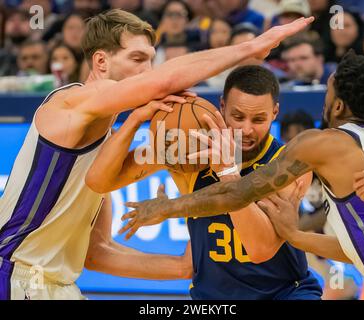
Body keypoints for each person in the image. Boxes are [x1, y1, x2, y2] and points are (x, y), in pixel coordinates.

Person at [0, 8, 314, 300]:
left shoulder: (109, 138)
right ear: (100, 62)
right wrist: (251, 48)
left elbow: (95, 249)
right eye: (137, 59)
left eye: (151, 61)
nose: (147, 72)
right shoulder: (70, 102)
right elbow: (163, 80)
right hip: (16, 271)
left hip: (57, 284)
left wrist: (185, 267)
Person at [122, 51, 364, 289]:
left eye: (328, 94)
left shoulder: (321, 144)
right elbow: (355, 249)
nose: (246, 129)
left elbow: (237, 194)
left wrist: (167, 208)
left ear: (339, 106)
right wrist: (295, 236)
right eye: (239, 117)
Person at [87, 65, 322, 300]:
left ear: (275, 112)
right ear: (222, 107)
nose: (247, 129)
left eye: (259, 119)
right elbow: (100, 182)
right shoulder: (190, 154)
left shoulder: (290, 163)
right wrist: (136, 118)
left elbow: (260, 249)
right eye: (237, 117)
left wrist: (228, 171)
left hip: (286, 293)